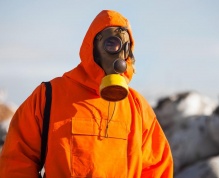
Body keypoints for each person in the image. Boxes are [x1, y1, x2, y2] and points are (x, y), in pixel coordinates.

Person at [0, 10, 174, 177]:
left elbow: (157, 168)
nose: (119, 55)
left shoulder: (137, 106)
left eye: (126, 47)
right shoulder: (49, 96)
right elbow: (17, 162)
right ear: (93, 46)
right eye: (112, 44)